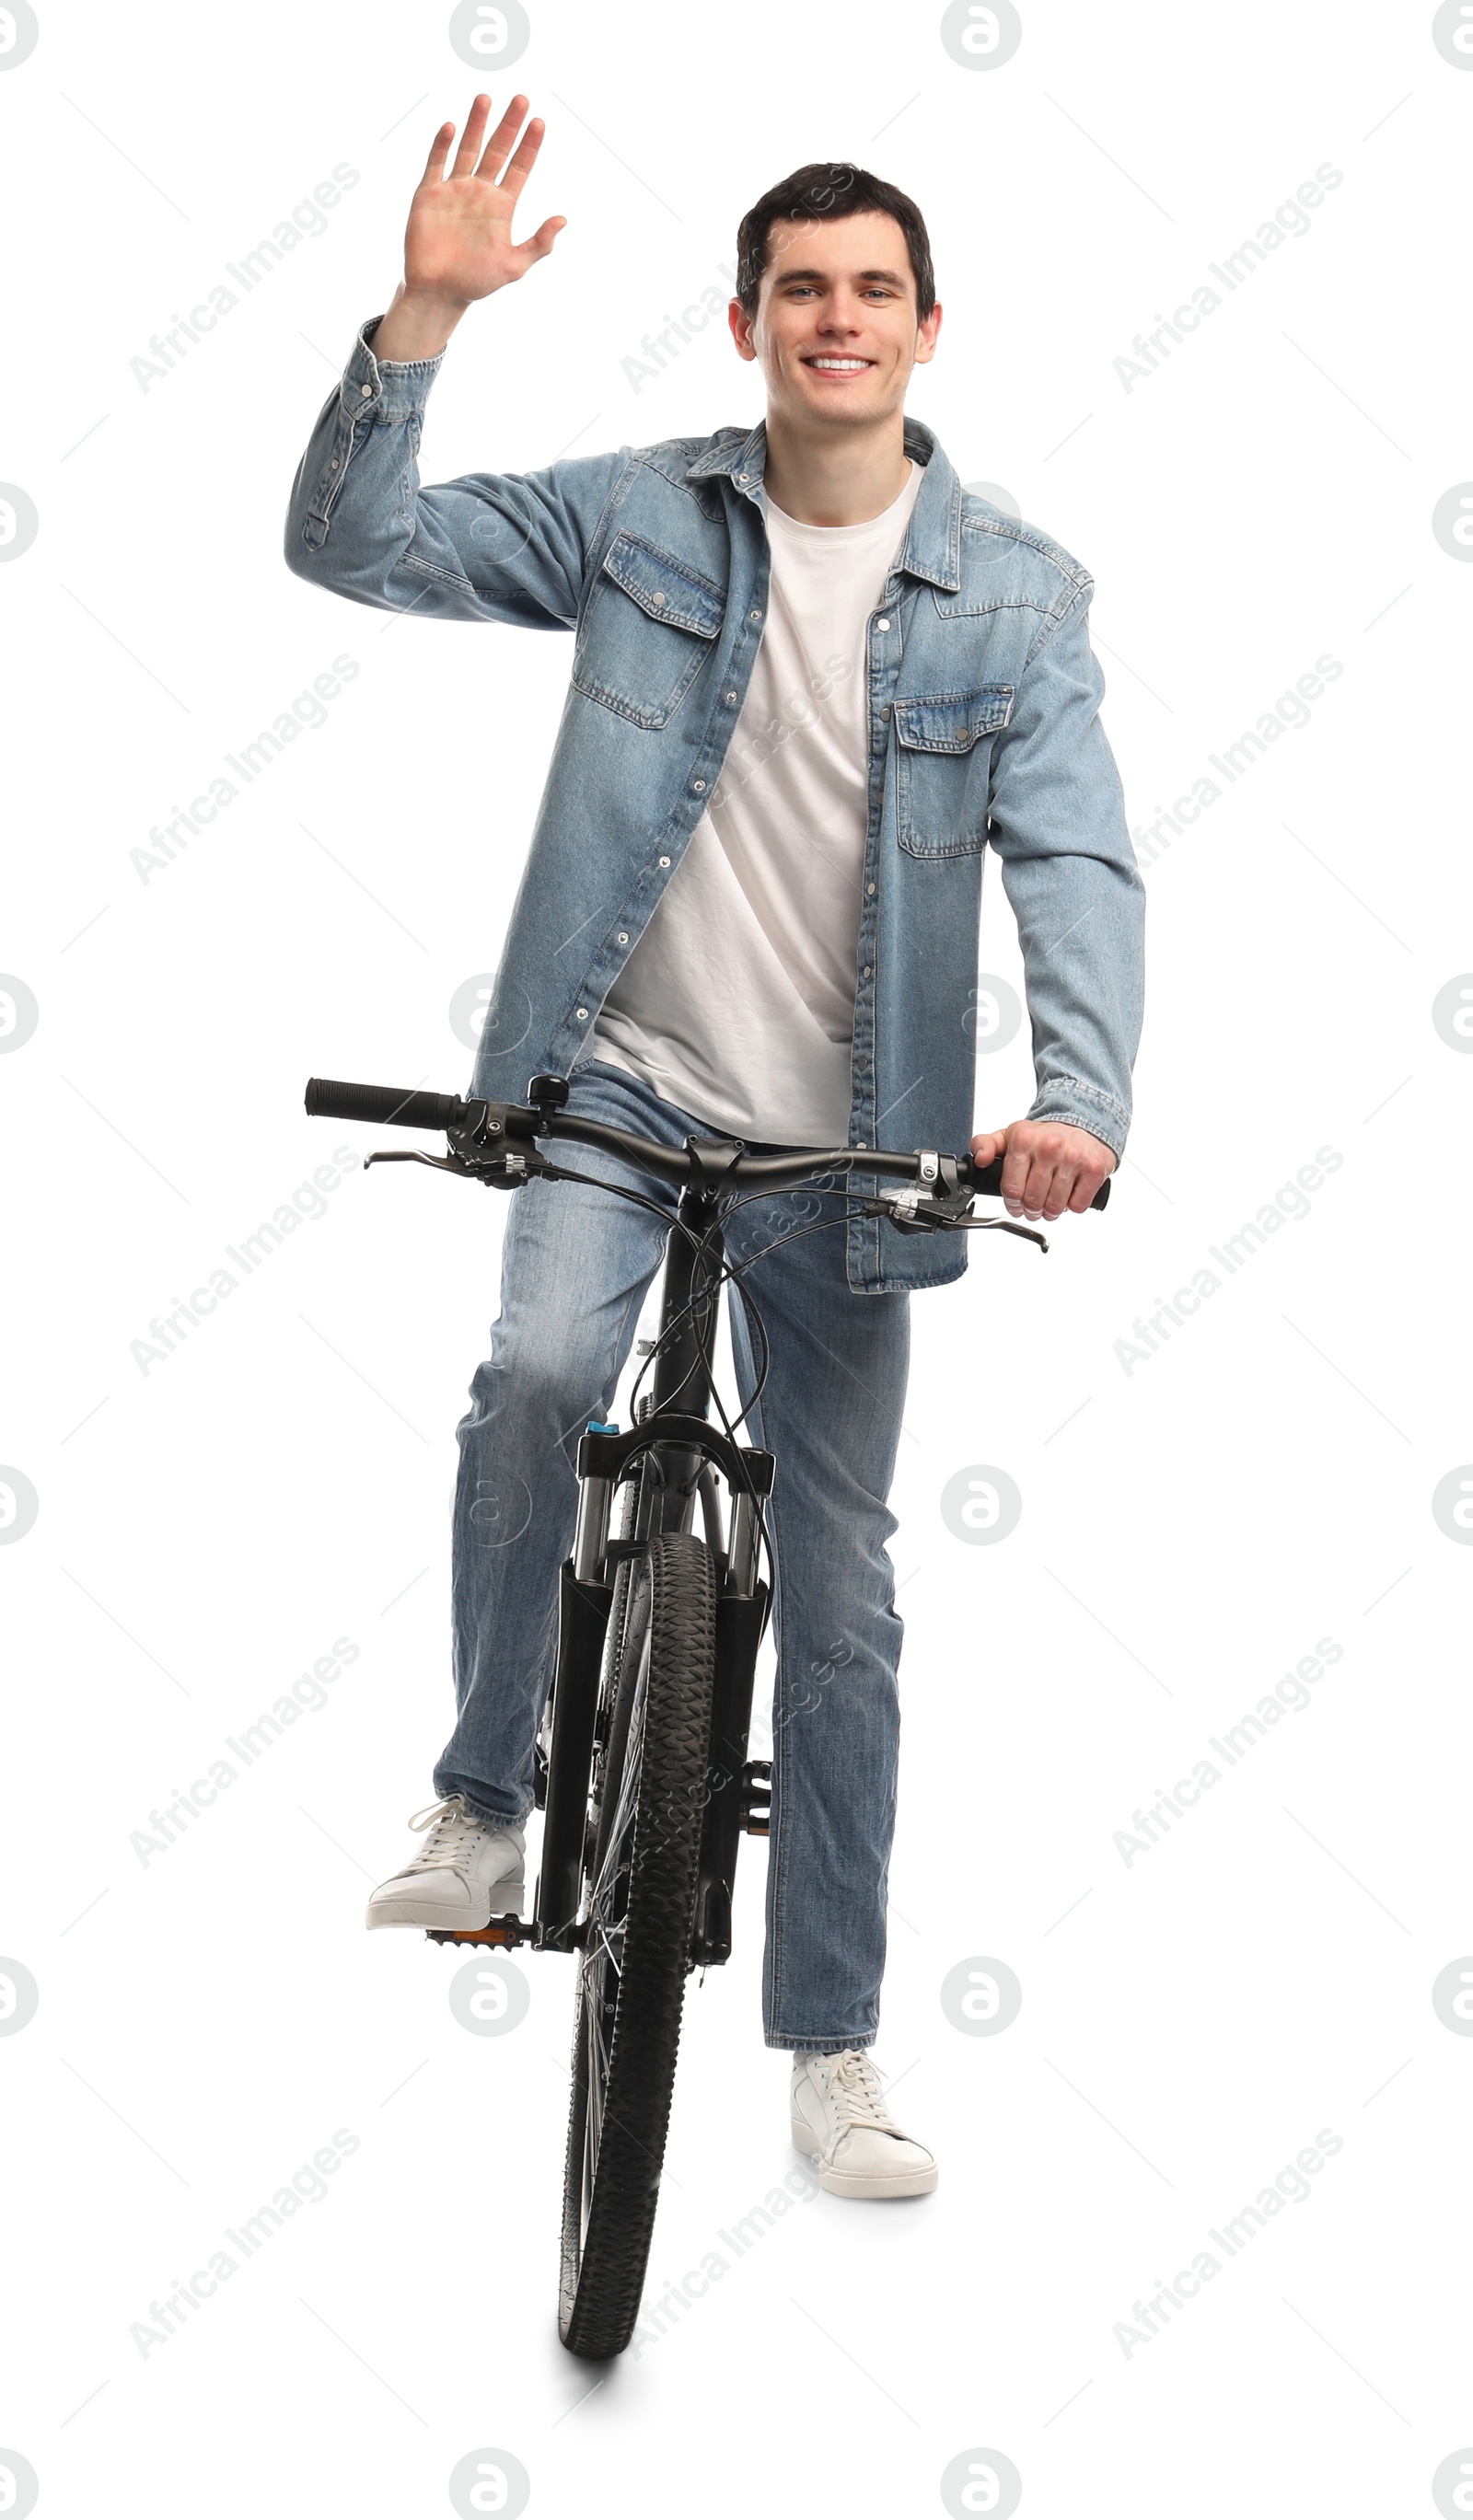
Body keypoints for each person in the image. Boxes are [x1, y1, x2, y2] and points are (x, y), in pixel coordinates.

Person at [284, 93, 1145, 2202]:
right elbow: (353, 545)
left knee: (838, 1595)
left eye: (872, 291)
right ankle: (486, 1795)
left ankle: (832, 2045)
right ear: (744, 319)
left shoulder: (1014, 595)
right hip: (615, 1079)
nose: (834, 321)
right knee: (546, 1375)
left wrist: (1071, 1102)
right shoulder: (637, 517)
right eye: (799, 290)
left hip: (854, 1152)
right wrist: (421, 313)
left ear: (926, 328)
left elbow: (1077, 860)